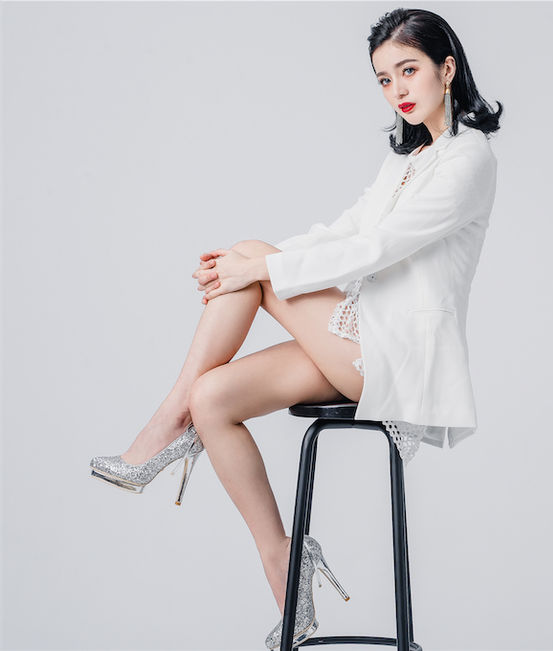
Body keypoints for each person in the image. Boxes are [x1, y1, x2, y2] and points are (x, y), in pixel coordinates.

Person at [88, 8, 502, 649]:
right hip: (355, 340)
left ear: (447, 70)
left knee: (253, 258)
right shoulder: (406, 160)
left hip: (399, 359)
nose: (397, 89)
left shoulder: (469, 160)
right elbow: (343, 230)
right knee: (213, 397)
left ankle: (165, 423)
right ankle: (284, 559)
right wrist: (245, 265)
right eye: (384, 78)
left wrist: (256, 265)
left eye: (409, 70)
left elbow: (375, 249)